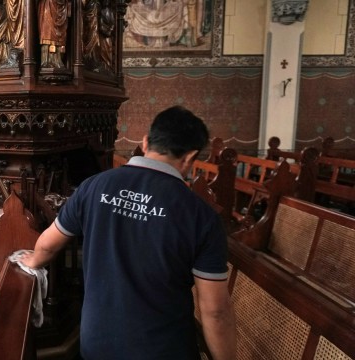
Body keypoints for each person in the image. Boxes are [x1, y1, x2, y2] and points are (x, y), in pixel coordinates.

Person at [20, 106, 237, 359]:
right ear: (190, 157)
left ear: (145, 142)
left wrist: (32, 260)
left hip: (96, 343)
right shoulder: (202, 216)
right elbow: (215, 311)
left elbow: (47, 246)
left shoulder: (94, 186)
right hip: (160, 349)